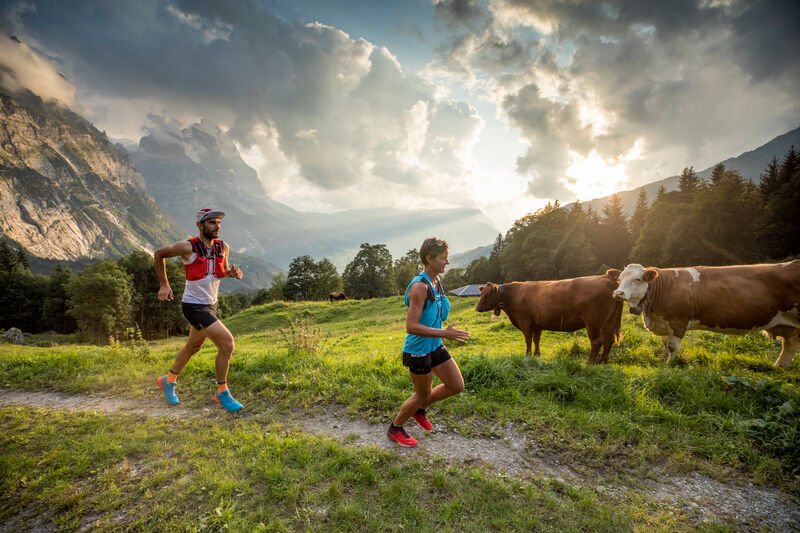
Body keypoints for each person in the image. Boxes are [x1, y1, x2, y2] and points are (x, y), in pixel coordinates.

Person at [153, 208, 245, 412]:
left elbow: (220, 271)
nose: (217, 226)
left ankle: (168, 380)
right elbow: (159, 254)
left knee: (192, 347)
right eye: (212, 222)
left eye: (219, 223)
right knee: (227, 344)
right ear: (200, 225)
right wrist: (164, 284)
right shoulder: (187, 247)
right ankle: (222, 392)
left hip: (210, 304)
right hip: (194, 306)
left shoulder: (223, 247)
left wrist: (232, 273)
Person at [387, 237, 470, 447]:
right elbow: (411, 326)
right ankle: (395, 428)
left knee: (456, 385)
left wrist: (443, 334)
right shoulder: (419, 287)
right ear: (429, 258)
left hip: (434, 346)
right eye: (443, 258)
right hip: (418, 351)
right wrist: (445, 334)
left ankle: (420, 409)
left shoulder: (437, 281)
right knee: (421, 395)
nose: (447, 263)